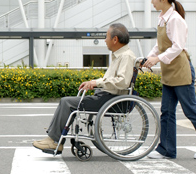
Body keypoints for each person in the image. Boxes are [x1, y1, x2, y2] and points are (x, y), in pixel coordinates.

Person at [143, 0, 196, 160]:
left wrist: (157, 58)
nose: (152, 2)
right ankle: (166, 149)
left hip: (180, 70)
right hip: (169, 70)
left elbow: (177, 47)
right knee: (167, 111)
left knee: (191, 110)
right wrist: (149, 58)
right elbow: (160, 45)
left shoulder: (175, 19)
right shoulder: (163, 17)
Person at [33, 23, 136, 153]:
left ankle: (54, 141)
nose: (105, 40)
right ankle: (53, 138)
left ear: (115, 39)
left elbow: (122, 82)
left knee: (67, 102)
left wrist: (97, 83)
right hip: (107, 97)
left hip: (111, 100)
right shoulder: (120, 55)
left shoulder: (126, 56)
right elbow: (111, 80)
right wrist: (94, 82)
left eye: (106, 37)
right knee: (68, 102)